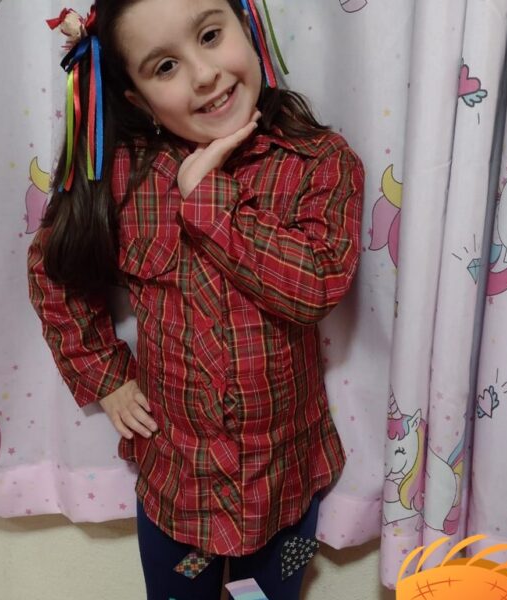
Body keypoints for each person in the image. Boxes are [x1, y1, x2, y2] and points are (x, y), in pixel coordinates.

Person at [28, 1, 364, 598]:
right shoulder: (123, 178)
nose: (204, 74)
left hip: (284, 483)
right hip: (177, 488)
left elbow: (315, 286)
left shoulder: (321, 163)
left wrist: (206, 199)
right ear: (138, 101)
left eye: (210, 36)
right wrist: (105, 375)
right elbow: (54, 271)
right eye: (165, 66)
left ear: (247, 26)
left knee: (272, 596)